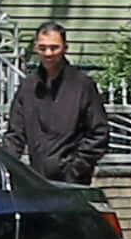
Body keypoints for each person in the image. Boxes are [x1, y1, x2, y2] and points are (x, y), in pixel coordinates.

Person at [6, 22, 107, 181]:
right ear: (36, 48)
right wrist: (7, 168)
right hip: (37, 181)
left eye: (54, 47)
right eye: (42, 48)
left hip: (72, 182)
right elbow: (14, 135)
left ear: (65, 48)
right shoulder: (28, 87)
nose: (48, 53)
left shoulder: (82, 85)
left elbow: (99, 134)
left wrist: (75, 169)